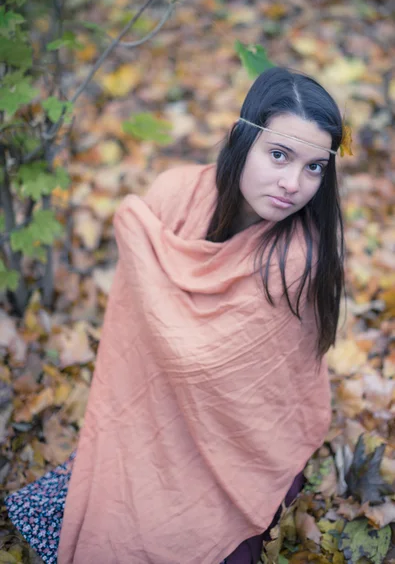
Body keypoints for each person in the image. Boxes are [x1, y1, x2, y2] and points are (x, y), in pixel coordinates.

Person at [6, 66, 345, 564]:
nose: (293, 183)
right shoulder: (174, 194)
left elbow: (201, 364)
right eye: (279, 155)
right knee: (81, 514)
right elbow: (136, 337)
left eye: (314, 167)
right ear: (241, 140)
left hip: (242, 453)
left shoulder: (297, 257)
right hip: (150, 419)